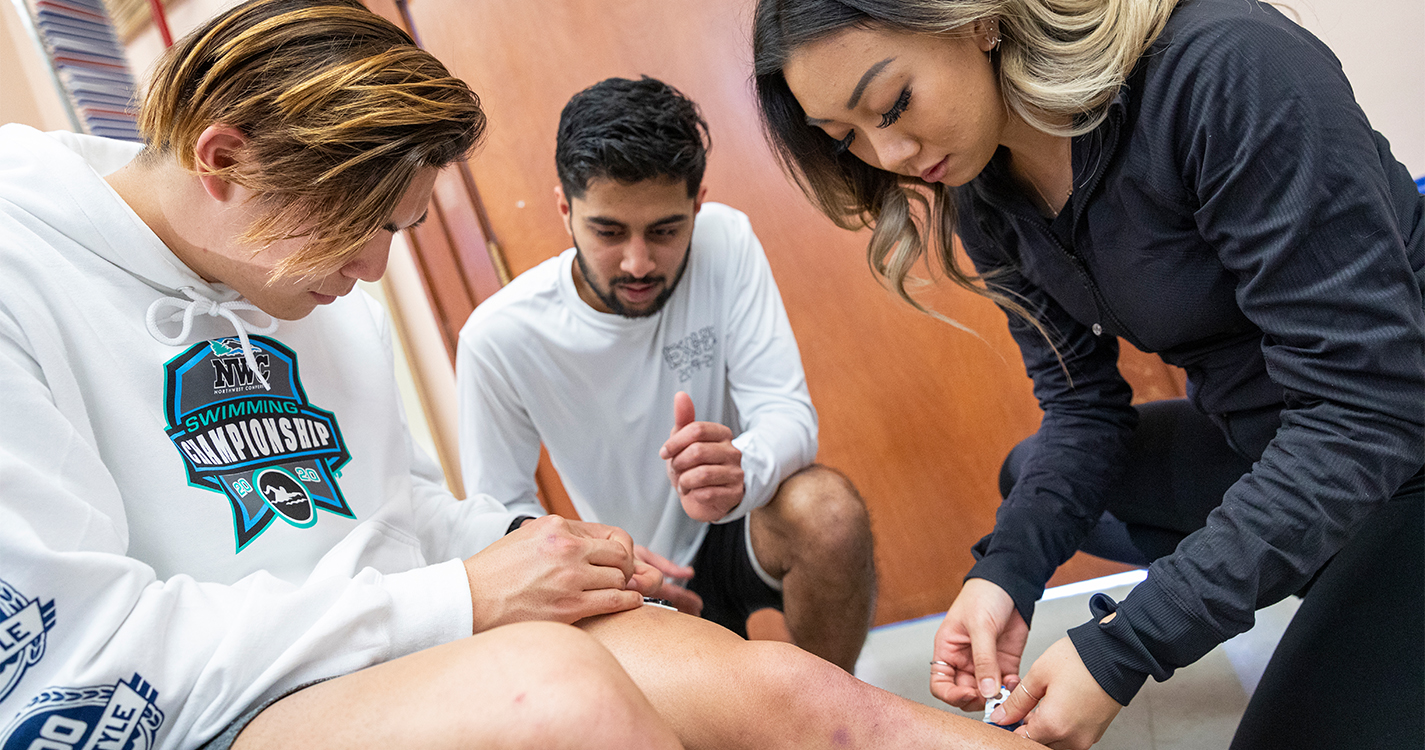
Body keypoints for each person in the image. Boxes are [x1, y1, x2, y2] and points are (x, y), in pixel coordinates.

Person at [0, 2, 1041, 749]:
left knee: (796, 696)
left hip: (404, 631)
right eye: (355, 230)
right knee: (555, 690)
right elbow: (76, 672)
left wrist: (534, 550)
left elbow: (394, 508)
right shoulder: (22, 268)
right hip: (223, 705)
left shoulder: (313, 296)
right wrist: (464, 596)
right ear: (222, 160)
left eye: (399, 233)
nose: (371, 271)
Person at [751, 0, 1424, 748]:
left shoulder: (1228, 67)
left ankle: (1364, 586)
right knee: (1031, 480)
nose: (890, 153)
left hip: (1396, 437)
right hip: (1277, 440)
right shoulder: (983, 187)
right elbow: (1081, 409)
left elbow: (1364, 408)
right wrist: (1002, 575)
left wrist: (1128, 643)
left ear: (974, 20)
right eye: (845, 137)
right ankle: (1338, 573)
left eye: (894, 103)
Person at [456, 76, 876, 671]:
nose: (637, 262)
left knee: (828, 512)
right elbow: (495, 513)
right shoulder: (497, 336)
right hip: (626, 567)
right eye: (607, 231)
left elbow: (787, 415)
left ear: (697, 204)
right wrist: (599, 559)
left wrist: (741, 467)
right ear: (564, 209)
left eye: (665, 231)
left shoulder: (726, 240)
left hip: (735, 521)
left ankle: (836, 716)